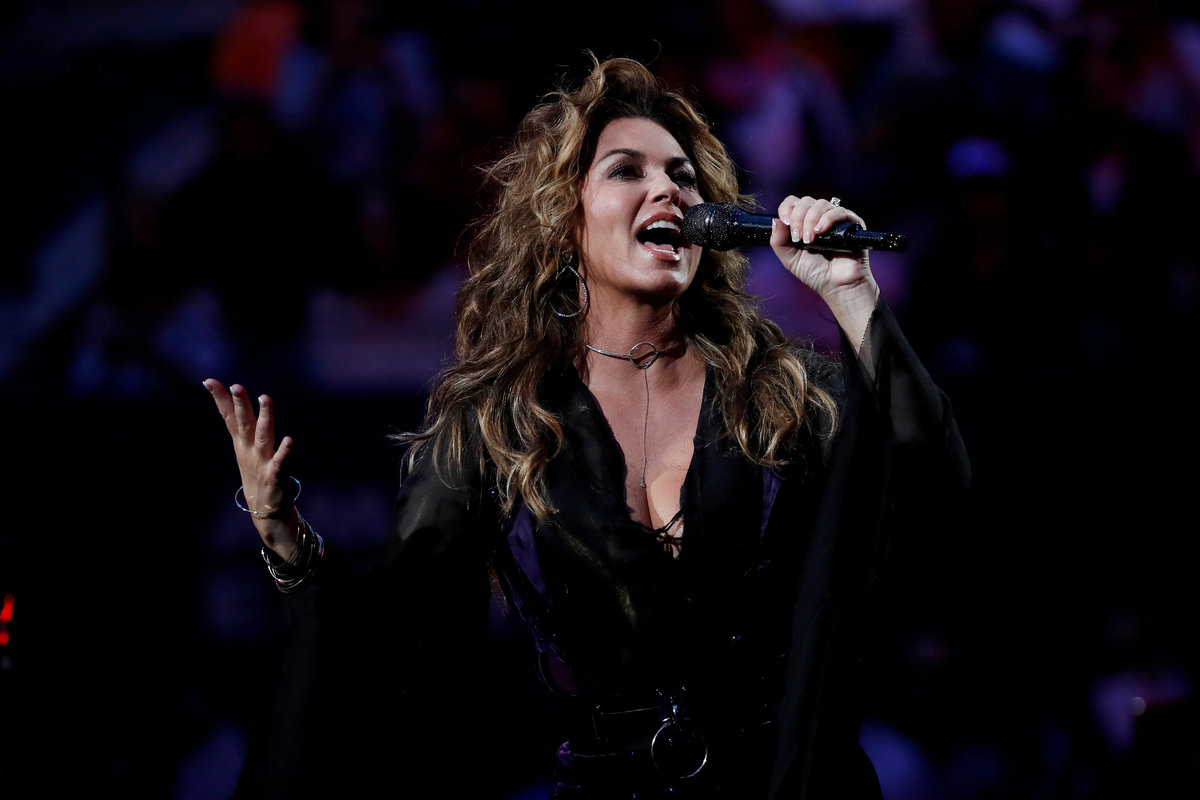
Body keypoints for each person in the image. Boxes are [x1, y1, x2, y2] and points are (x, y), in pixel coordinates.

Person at [204, 54, 969, 800]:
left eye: (683, 176)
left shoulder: (785, 393)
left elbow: (933, 474)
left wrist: (852, 294)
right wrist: (288, 545)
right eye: (627, 170)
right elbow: (395, 637)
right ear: (565, 219)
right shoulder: (501, 424)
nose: (667, 190)